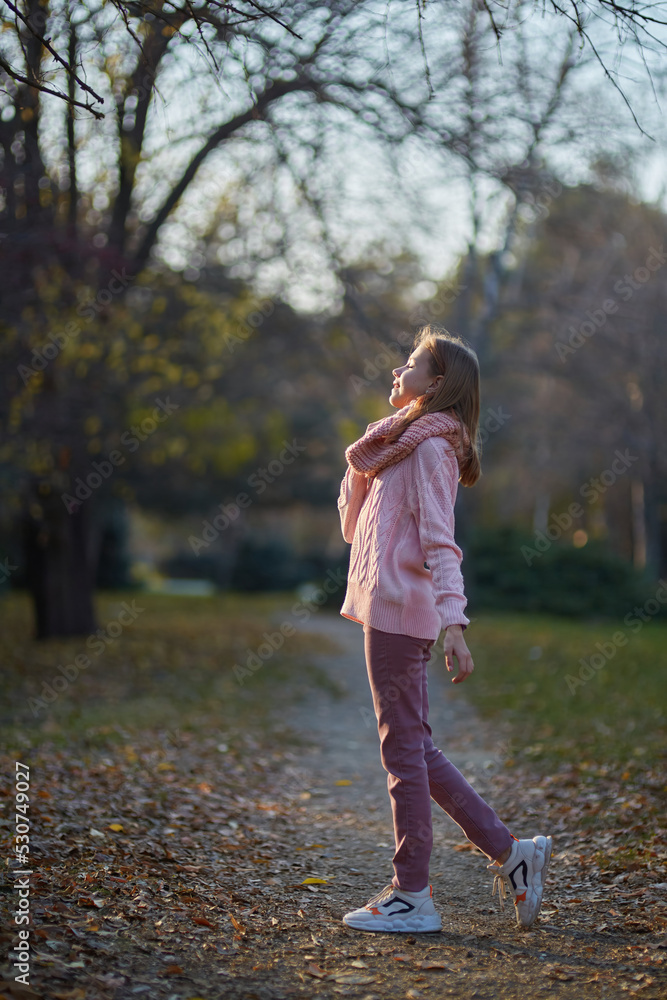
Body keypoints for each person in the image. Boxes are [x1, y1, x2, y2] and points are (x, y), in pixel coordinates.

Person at [336, 323, 552, 934]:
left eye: (412, 361)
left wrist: (455, 623)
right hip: (389, 609)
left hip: (404, 614)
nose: (399, 368)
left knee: (403, 752)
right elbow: (354, 529)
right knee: (415, 749)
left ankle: (412, 895)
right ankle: (515, 855)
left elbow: (440, 542)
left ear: (437, 383)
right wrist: (362, 465)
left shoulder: (429, 449)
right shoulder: (400, 443)